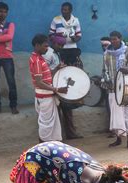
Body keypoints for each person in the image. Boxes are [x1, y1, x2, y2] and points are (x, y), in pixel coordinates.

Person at [49, 2, 83, 139]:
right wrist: (59, 39)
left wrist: (75, 38)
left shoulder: (76, 20)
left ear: (70, 11)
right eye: (62, 9)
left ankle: (70, 133)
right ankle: (58, 136)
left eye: (66, 10)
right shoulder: (52, 54)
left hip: (72, 50)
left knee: (68, 103)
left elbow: (80, 34)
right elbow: (51, 34)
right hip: (55, 88)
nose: (64, 11)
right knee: (59, 107)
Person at [102, 31, 128, 150]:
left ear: (120, 38)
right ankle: (118, 139)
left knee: (127, 112)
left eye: (115, 39)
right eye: (111, 39)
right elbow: (104, 70)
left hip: (126, 87)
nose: (113, 41)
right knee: (115, 114)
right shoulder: (107, 53)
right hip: (112, 88)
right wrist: (106, 80)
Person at [29, 34, 65, 142]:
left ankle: (49, 149)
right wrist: (56, 90)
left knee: (49, 124)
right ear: (37, 45)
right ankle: (43, 149)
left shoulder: (40, 59)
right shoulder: (37, 61)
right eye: (45, 46)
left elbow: (46, 76)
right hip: (44, 97)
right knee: (46, 125)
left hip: (46, 96)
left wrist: (57, 68)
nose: (47, 48)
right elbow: (39, 82)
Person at [0, 2, 18, 115]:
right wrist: (0, 38)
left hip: (7, 57)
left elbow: (9, 36)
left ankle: (13, 106)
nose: (3, 14)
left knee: (11, 82)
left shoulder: (10, 25)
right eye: (1, 11)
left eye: (5, 12)